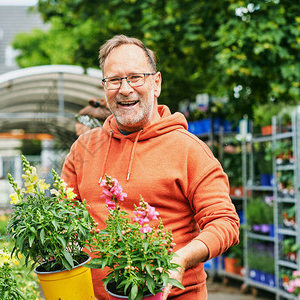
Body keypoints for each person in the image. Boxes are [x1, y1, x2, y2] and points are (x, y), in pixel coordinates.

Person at [61, 35, 239, 299]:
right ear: (104, 86)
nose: (124, 89)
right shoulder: (83, 148)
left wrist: (182, 258)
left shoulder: (189, 149)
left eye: (135, 77)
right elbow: (64, 215)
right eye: (114, 80)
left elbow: (225, 222)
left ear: (156, 83)